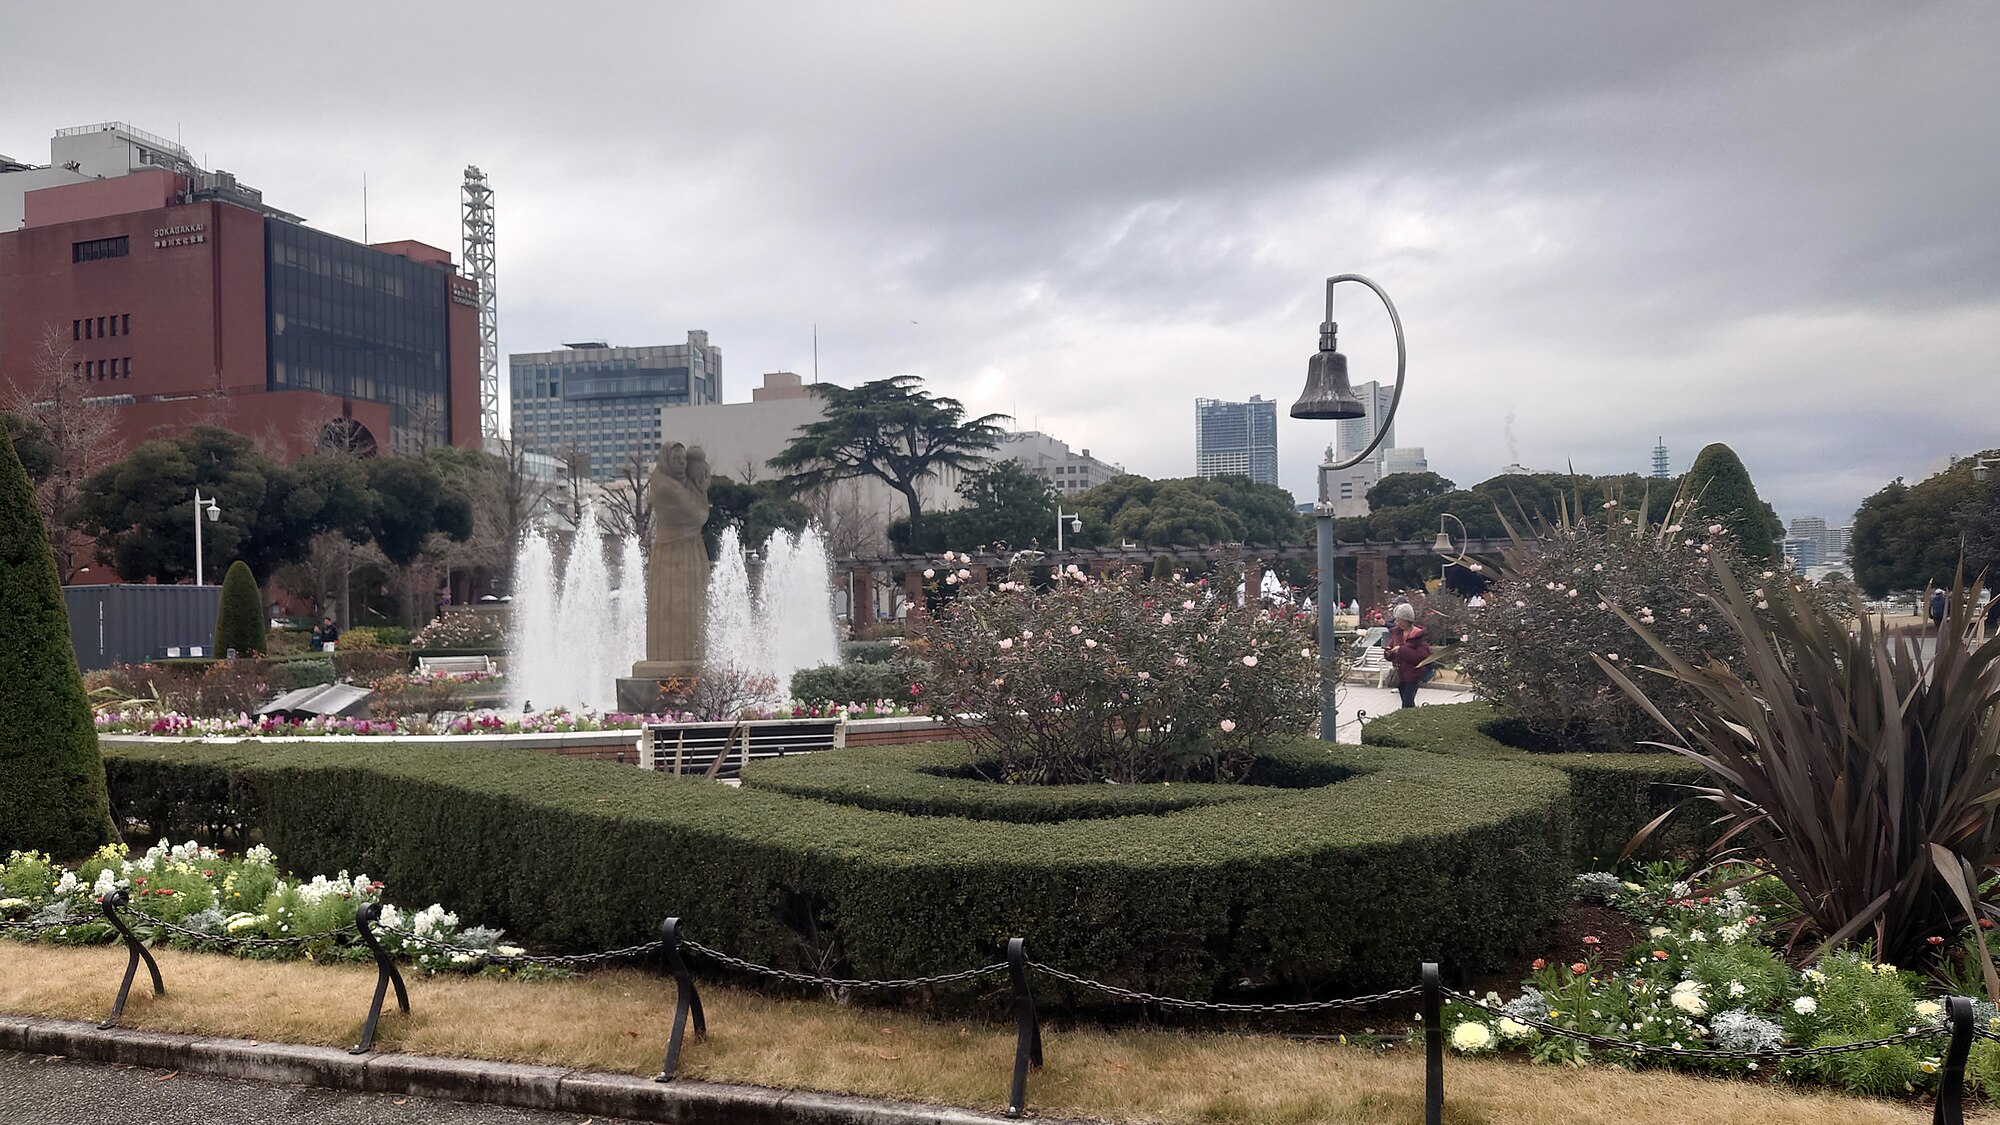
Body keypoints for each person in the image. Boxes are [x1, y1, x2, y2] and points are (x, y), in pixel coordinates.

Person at [1383, 602, 1431, 710]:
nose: (1398, 623)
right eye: (1397, 620)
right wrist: (1388, 653)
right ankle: (1410, 721)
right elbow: (1390, 649)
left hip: (1413, 674)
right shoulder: (1396, 633)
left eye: (1401, 620)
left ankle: (1411, 722)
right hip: (1400, 675)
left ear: (1408, 620)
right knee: (1405, 703)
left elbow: (1421, 657)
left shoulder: (1417, 635)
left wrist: (1401, 650)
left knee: (1408, 702)